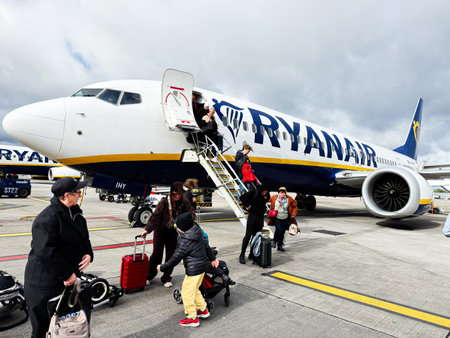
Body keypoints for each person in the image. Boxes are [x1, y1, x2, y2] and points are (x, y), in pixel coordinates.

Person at [24, 177, 93, 338]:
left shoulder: (75, 214)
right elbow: (45, 251)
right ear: (67, 195)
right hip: (44, 284)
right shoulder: (47, 218)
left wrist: (89, 254)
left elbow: (85, 239)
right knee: (43, 329)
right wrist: (67, 274)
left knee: (64, 327)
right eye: (78, 192)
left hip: (66, 281)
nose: (80, 195)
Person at [157, 212, 218, 327]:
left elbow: (175, 258)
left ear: (182, 228)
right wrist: (213, 258)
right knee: (194, 290)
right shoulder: (196, 230)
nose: (177, 228)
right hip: (202, 268)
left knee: (186, 293)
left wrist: (163, 266)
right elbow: (206, 246)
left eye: (178, 226)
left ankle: (192, 317)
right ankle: (203, 310)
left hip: (194, 270)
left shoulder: (185, 240)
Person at [141, 182, 195, 287]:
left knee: (171, 256)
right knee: (156, 254)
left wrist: (187, 221)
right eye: (175, 194)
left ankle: (166, 278)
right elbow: (155, 216)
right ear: (171, 193)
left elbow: (191, 213)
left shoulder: (183, 202)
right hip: (160, 231)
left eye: (179, 194)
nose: (177, 196)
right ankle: (148, 276)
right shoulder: (164, 202)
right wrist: (147, 230)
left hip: (173, 233)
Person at [239, 184, 270, 264]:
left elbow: (266, 200)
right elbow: (242, 197)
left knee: (256, 236)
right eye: (263, 192)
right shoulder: (254, 192)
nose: (264, 193)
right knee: (248, 236)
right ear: (261, 190)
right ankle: (242, 254)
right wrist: (247, 205)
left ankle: (252, 254)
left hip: (260, 218)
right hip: (252, 217)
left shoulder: (267, 194)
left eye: (266, 192)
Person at [267, 187, 297, 251]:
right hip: (276, 217)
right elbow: (267, 200)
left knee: (282, 232)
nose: (282, 194)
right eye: (281, 193)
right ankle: (274, 242)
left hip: (285, 218)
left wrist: (293, 215)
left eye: (284, 193)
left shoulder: (289, 199)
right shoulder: (274, 197)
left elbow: (294, 206)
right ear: (278, 193)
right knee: (279, 229)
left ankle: (280, 245)